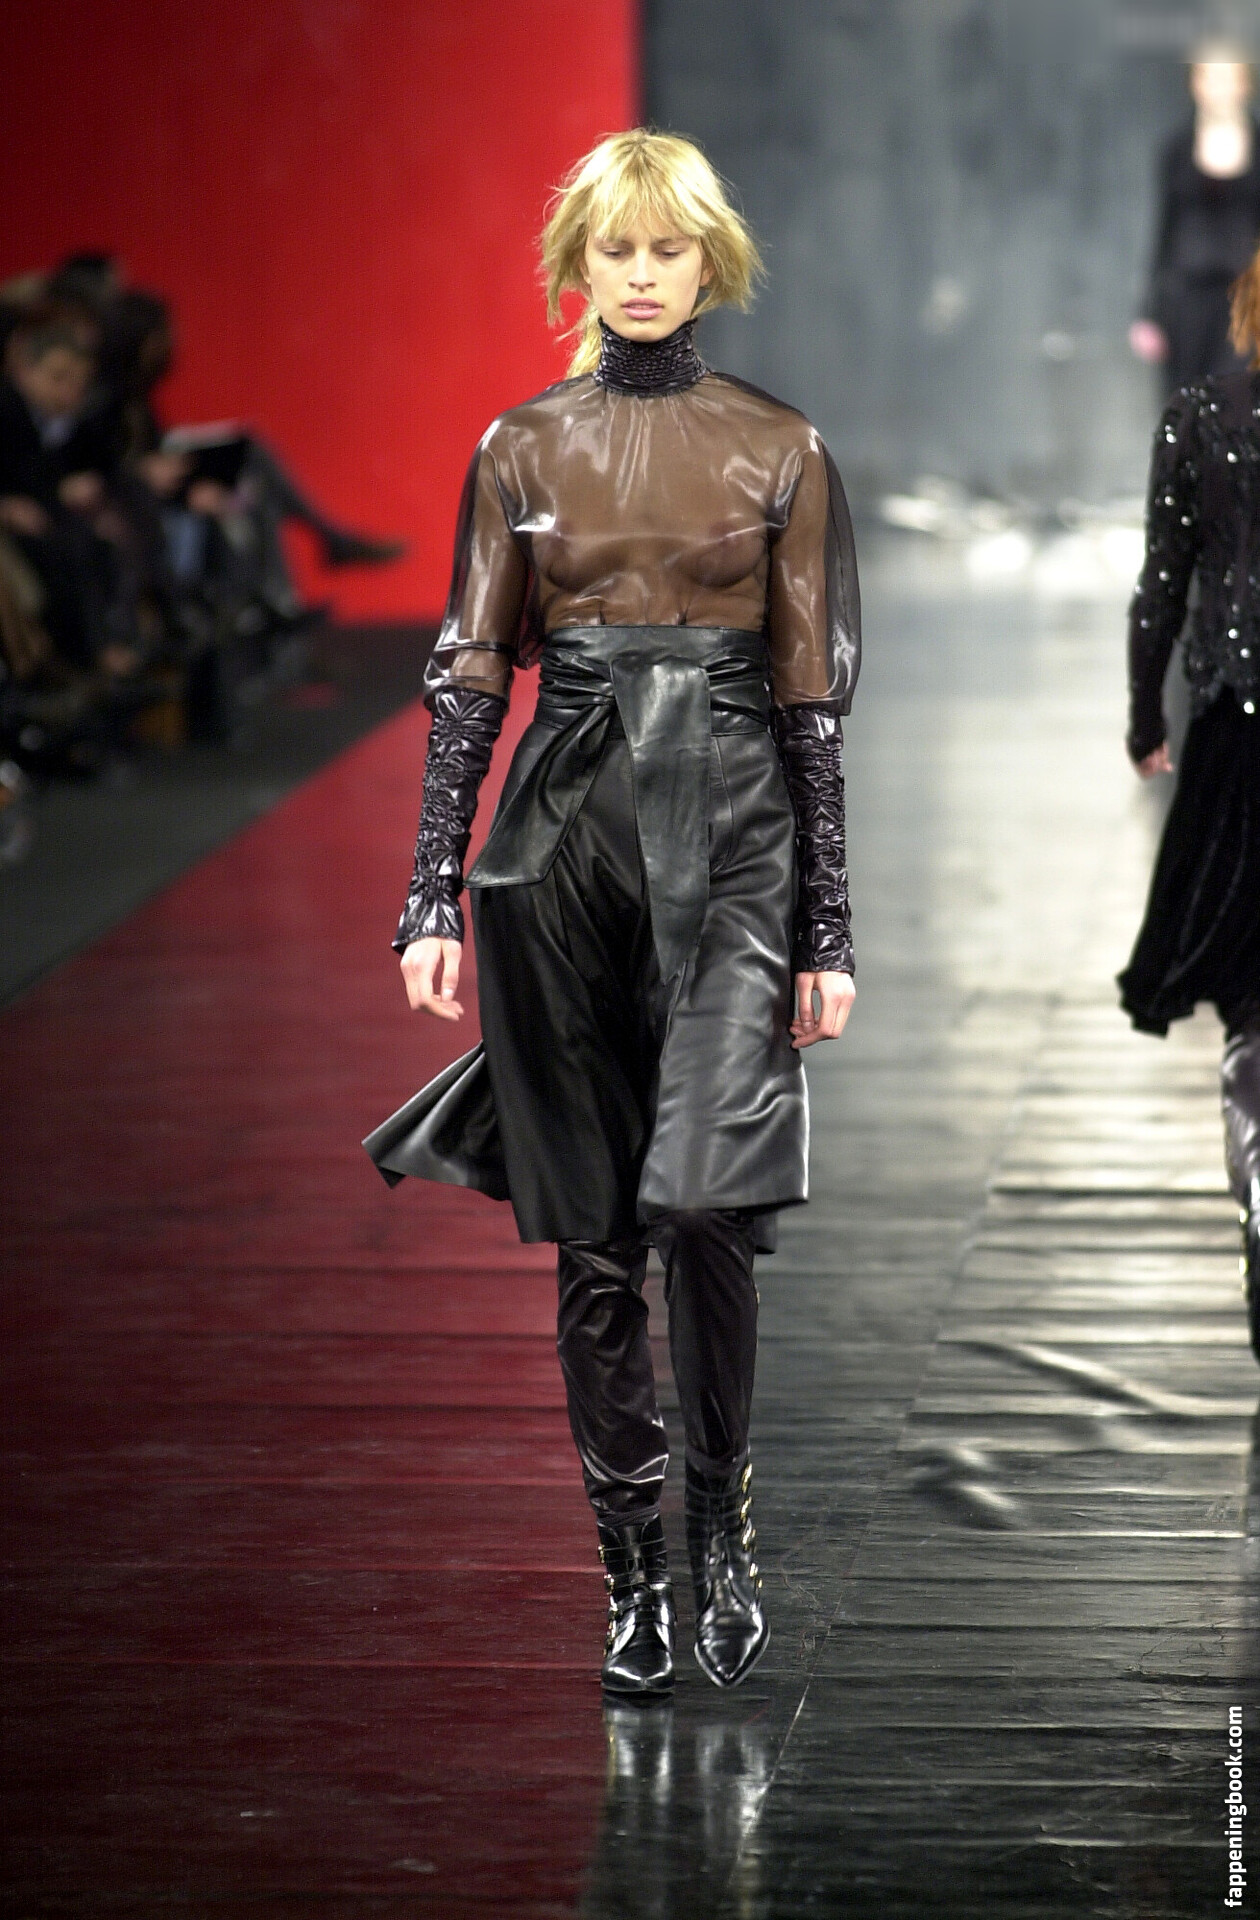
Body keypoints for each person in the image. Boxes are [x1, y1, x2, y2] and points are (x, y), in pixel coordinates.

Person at [365, 130, 859, 1698]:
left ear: (711, 262)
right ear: (578, 264)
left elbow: (813, 702)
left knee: (705, 1204)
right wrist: (430, 891)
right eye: (616, 249)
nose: (641, 276)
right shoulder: (520, 447)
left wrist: (830, 928)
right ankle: (633, 1569)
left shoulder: (781, 447)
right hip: (560, 846)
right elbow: (469, 677)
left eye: (668, 249)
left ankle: (725, 1525)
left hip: (737, 839)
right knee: (595, 1239)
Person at [1119, 241, 1260, 1356]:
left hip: (1233, 743)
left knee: (1251, 1005)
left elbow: (1161, 586)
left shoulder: (1203, 417)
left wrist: (1145, 718)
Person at [1131, 41, 1260, 391]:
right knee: (1186, 399)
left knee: (1238, 401)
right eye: (1209, 77)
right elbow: (1165, 230)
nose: (1218, 88)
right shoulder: (1176, 149)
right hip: (1186, 299)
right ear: (1194, 84)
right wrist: (1149, 312)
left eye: (1227, 77)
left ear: (1245, 84)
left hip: (1247, 297)